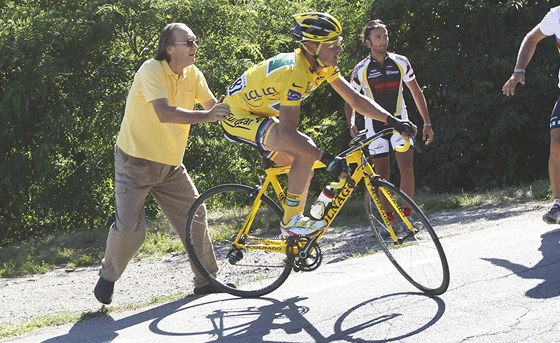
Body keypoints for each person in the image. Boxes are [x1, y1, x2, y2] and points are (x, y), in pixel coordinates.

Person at [220, 12, 416, 237]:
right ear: (312, 46)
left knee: (305, 164)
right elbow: (286, 133)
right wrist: (327, 158)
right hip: (235, 114)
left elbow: (354, 99)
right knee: (305, 151)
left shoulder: (322, 64)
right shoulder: (294, 73)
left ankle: (295, 228)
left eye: (339, 42)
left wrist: (392, 120)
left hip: (258, 112)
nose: (339, 49)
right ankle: (290, 223)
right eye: (333, 44)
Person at [94, 23, 231, 305]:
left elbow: (213, 106)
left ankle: (205, 280)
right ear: (169, 48)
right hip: (135, 161)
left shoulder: (193, 74)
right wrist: (209, 116)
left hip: (170, 166)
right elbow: (164, 113)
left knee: (195, 214)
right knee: (131, 229)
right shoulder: (151, 70)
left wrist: (244, 108)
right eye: (188, 42)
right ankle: (108, 276)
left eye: (195, 40)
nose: (195, 47)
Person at [344, 19, 433, 221]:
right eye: (378, 37)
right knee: (381, 175)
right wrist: (351, 122)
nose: (383, 40)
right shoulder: (360, 69)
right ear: (368, 42)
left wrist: (427, 122)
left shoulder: (401, 61)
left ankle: (408, 215)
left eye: (385, 36)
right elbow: (350, 100)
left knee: (406, 166)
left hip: (401, 122)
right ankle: (389, 219)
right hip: (374, 126)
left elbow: (417, 93)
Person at [502, 6, 560, 224]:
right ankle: (558, 204)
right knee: (556, 145)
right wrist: (519, 70)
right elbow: (531, 38)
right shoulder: (556, 15)